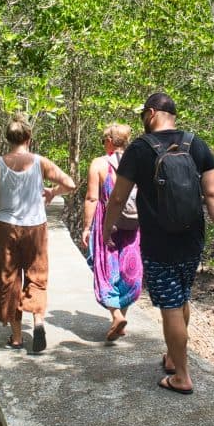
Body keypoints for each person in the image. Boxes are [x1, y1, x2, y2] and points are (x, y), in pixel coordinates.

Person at [102, 92, 214, 394]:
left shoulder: (139, 149)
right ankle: (173, 358)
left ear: (151, 113)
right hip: (193, 236)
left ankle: (182, 376)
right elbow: (212, 194)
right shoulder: (196, 144)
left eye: (142, 116)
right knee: (182, 296)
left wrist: (108, 230)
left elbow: (118, 197)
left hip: (159, 239)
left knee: (170, 306)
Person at [0, 115, 76, 352]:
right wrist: (53, 191)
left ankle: (18, 337)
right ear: (29, 138)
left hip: (5, 227)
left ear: (8, 139)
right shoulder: (40, 162)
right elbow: (70, 184)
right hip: (36, 228)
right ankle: (38, 321)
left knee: (8, 278)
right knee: (37, 275)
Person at [81, 123, 143, 341]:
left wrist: (87, 227)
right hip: (133, 226)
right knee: (129, 271)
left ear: (109, 140)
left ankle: (116, 316)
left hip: (107, 226)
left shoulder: (99, 164)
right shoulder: (138, 163)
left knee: (106, 271)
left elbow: (92, 198)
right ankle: (121, 321)